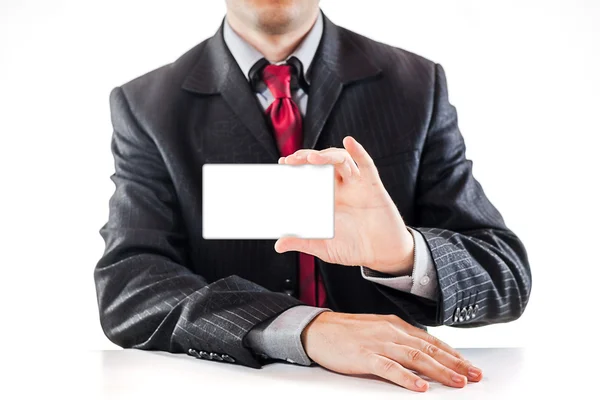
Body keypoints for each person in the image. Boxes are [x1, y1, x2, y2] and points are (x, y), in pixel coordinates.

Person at [94, 0, 531, 392]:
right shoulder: (147, 105)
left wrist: (403, 255)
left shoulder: (416, 85)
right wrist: (303, 328)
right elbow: (130, 283)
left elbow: (506, 276)